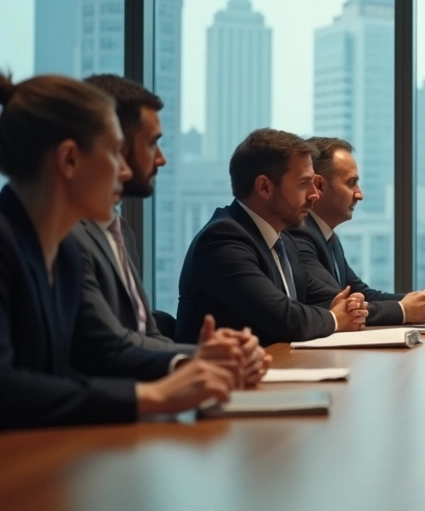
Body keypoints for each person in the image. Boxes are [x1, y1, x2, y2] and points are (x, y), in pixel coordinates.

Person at [0, 73, 240, 429]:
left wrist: (199, 364)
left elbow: (91, 359)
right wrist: (151, 396)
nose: (125, 170)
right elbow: (6, 389)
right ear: (69, 160)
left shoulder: (63, 252)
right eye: (115, 152)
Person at [69, 75, 270, 382]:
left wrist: (209, 355)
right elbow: (105, 346)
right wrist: (203, 358)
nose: (161, 159)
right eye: (152, 143)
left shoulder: (120, 229)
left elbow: (145, 334)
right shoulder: (67, 236)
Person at [176, 129, 369, 345]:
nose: (315, 194)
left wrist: (350, 306)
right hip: (224, 367)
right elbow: (285, 318)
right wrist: (335, 318)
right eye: (303, 184)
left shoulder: (282, 239)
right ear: (264, 187)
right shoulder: (223, 239)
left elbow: (322, 299)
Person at [288, 137, 425, 325]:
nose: (359, 194)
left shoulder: (328, 235)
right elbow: (339, 306)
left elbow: (362, 293)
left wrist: (421, 302)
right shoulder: (299, 233)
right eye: (351, 183)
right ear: (319, 185)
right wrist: (404, 310)